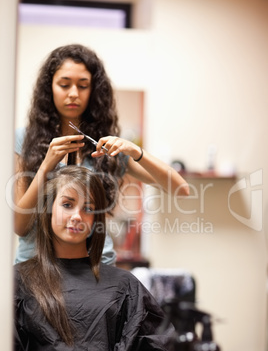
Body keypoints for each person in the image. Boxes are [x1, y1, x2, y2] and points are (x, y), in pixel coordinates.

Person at [14, 43, 189, 265]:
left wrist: (137, 152)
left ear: (94, 90)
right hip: (36, 270)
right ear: (50, 88)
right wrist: (46, 166)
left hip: (95, 270)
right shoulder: (24, 140)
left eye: (83, 85)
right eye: (64, 84)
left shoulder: (108, 150)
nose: (73, 94)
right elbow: (20, 226)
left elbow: (181, 190)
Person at [14, 166, 175, 351]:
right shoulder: (18, 280)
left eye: (88, 209)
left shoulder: (123, 285)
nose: (77, 216)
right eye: (67, 205)